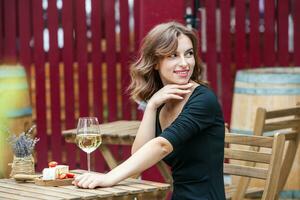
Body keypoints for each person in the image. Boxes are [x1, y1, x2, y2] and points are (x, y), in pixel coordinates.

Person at [73, 21, 226, 200]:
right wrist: (152, 106)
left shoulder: (203, 100)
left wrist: (109, 177)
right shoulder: (163, 100)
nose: (184, 63)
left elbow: (161, 146)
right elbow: (138, 156)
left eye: (189, 54)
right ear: (155, 62)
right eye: (173, 55)